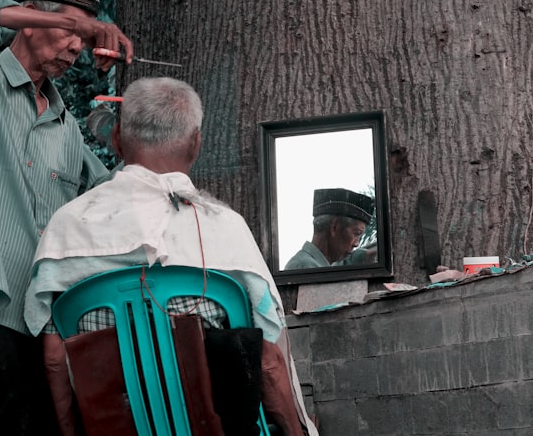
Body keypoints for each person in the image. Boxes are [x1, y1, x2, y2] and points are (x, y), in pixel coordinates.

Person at [24, 77, 319, 436]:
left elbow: (55, 359)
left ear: (116, 138)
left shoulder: (67, 226)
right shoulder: (226, 229)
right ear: (196, 143)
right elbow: (269, 361)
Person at [0, 0, 133, 435]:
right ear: (29, 17)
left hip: (50, 317)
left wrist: (137, 141)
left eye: (82, 38)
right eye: (67, 29)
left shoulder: (66, 126)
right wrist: (70, 22)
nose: (74, 46)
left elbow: (110, 195)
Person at [283, 188, 376, 270]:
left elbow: (351, 259)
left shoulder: (327, 262)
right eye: (356, 233)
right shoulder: (305, 267)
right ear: (334, 226)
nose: (356, 243)